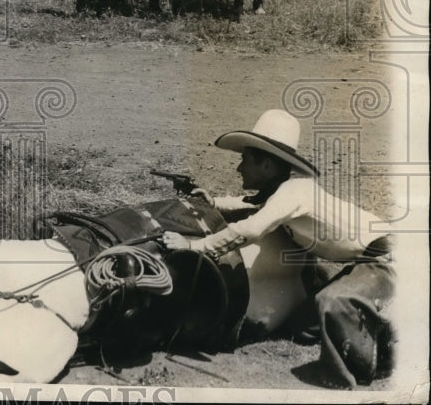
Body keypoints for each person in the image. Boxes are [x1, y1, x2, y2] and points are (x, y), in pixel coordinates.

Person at [162, 109, 395, 389]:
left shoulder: (293, 192)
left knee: (332, 303)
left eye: (245, 160)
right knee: (302, 327)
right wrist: (215, 203)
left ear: (267, 167)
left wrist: (194, 246)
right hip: (360, 260)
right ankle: (364, 315)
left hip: (385, 257)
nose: (239, 168)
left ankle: (364, 365)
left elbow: (251, 228)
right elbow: (250, 204)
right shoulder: (283, 190)